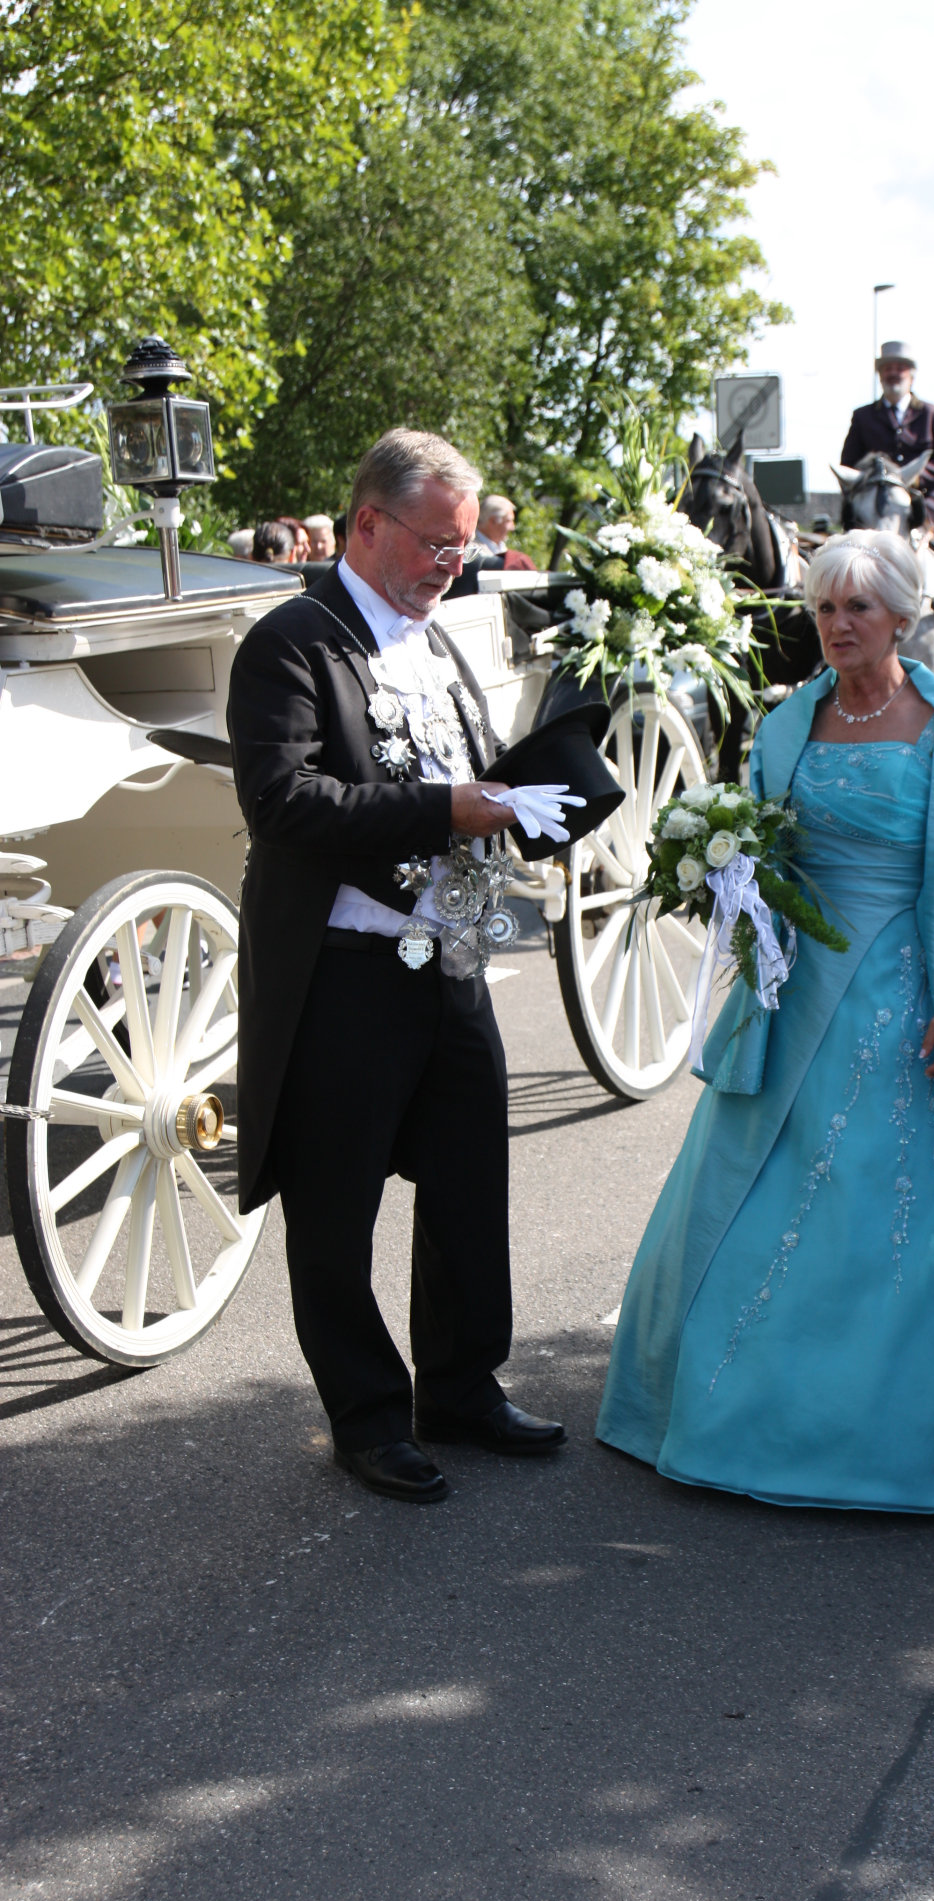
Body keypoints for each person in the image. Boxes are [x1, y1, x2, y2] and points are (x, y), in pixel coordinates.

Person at [596, 530, 934, 1512]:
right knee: (750, 1179)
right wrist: (721, 871)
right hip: (793, 984)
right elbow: (765, 844)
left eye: (858, 609)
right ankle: (725, 1409)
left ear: (901, 618)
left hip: (904, 981)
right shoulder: (790, 720)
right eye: (825, 609)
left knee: (884, 1196)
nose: (838, 626)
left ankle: (898, 1438)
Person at [227, 428, 567, 1504]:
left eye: (461, 547)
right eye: (435, 543)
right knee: (334, 1208)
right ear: (368, 523)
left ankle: (459, 1386)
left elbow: (471, 769)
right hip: (342, 968)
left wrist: (536, 795)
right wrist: (445, 808)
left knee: (469, 1182)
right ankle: (368, 1415)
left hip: (449, 954)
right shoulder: (291, 641)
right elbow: (282, 802)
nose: (450, 565)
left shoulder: (435, 638)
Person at [840, 341, 934, 533]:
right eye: (888, 369)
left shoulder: (932, 415)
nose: (893, 373)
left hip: (923, 503)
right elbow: (848, 463)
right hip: (874, 505)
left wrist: (915, 479)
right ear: (880, 376)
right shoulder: (863, 417)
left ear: (911, 375)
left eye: (900, 368)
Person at [476, 494, 536, 571]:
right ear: (492, 521)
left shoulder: (501, 547)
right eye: (508, 521)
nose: (513, 527)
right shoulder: (471, 550)